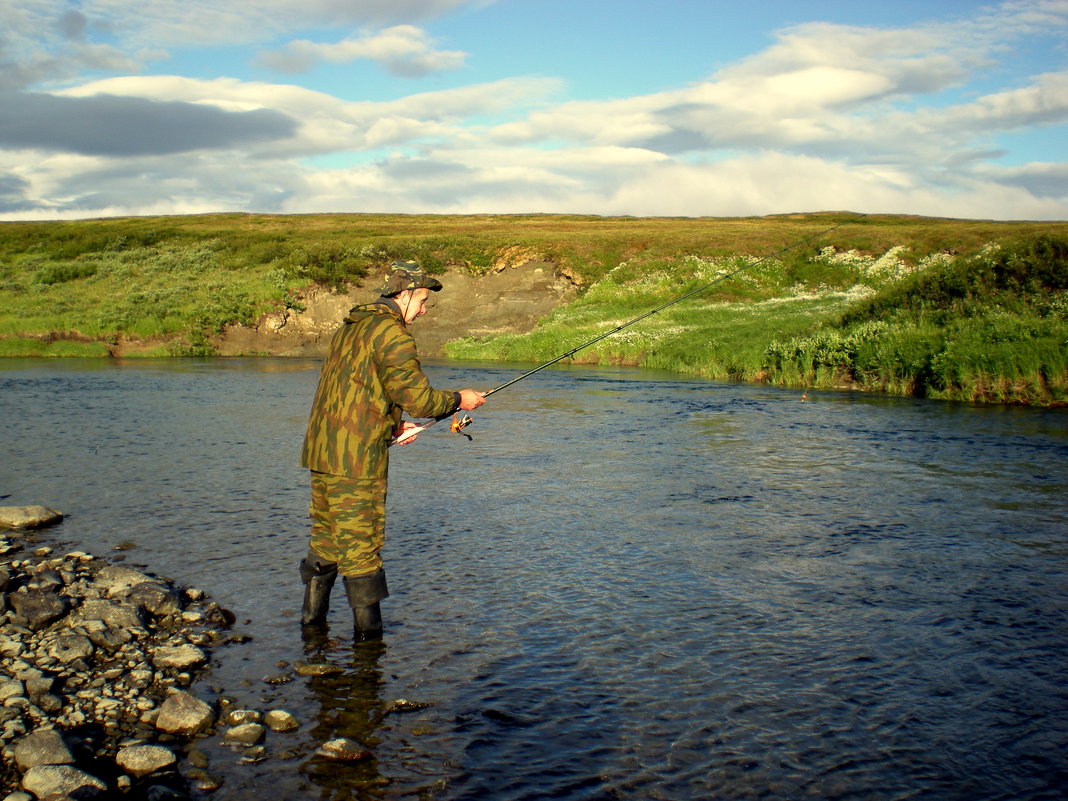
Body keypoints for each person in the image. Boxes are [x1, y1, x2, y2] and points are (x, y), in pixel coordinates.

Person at [299, 260, 486, 640]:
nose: (424, 309)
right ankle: (369, 648)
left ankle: (311, 626)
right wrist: (458, 399)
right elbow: (419, 398)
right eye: (422, 300)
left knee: (326, 538)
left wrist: (391, 424)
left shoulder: (351, 328)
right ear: (404, 294)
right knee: (362, 546)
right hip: (355, 459)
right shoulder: (392, 334)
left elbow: (356, 389)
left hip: (323, 450)